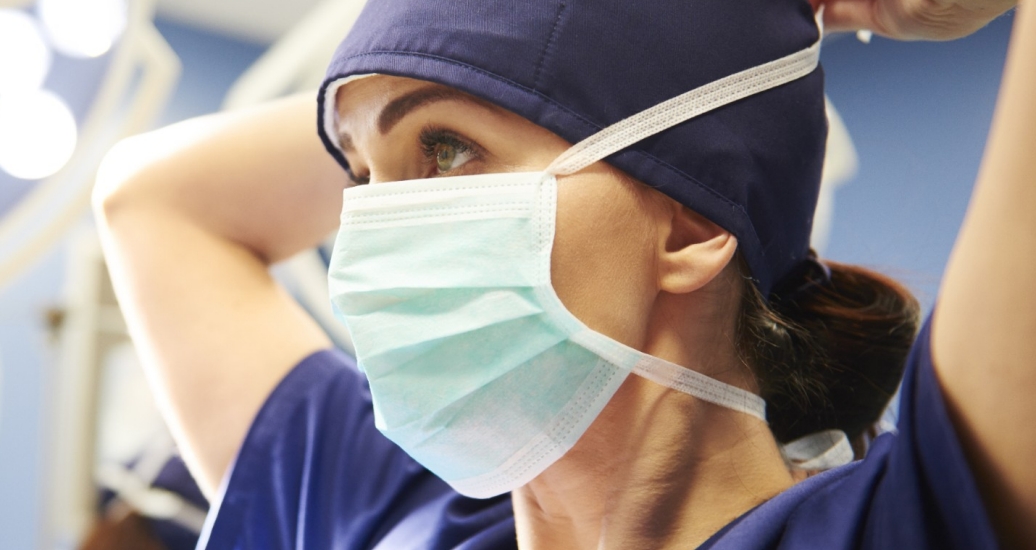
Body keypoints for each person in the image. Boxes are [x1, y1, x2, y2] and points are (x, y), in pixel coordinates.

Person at [92, 0, 1032, 547]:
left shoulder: (906, 523)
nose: (377, 226)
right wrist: (418, 65)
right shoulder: (382, 519)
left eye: (448, 151)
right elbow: (154, 200)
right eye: (360, 177)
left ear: (694, 223)